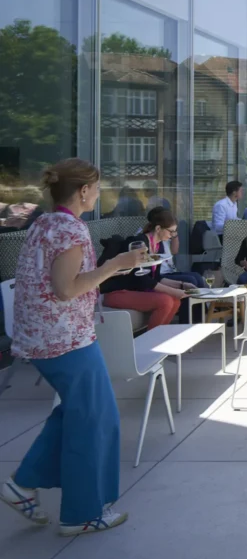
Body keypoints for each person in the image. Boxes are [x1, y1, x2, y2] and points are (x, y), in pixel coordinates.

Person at [1, 159, 146, 535]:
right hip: (64, 340)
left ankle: (23, 484)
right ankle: (81, 514)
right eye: (96, 188)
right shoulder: (70, 229)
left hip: (45, 338)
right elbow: (66, 289)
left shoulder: (45, 222)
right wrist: (116, 264)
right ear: (83, 191)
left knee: (77, 414)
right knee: (95, 421)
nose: (98, 194)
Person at [102, 209, 205, 329]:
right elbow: (141, 279)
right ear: (158, 229)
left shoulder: (158, 245)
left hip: (135, 290)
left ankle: (161, 336)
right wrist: (174, 291)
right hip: (117, 292)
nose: (172, 235)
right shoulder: (138, 243)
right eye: (171, 231)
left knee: (175, 301)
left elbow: (156, 277)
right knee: (165, 301)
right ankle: (151, 338)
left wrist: (181, 285)